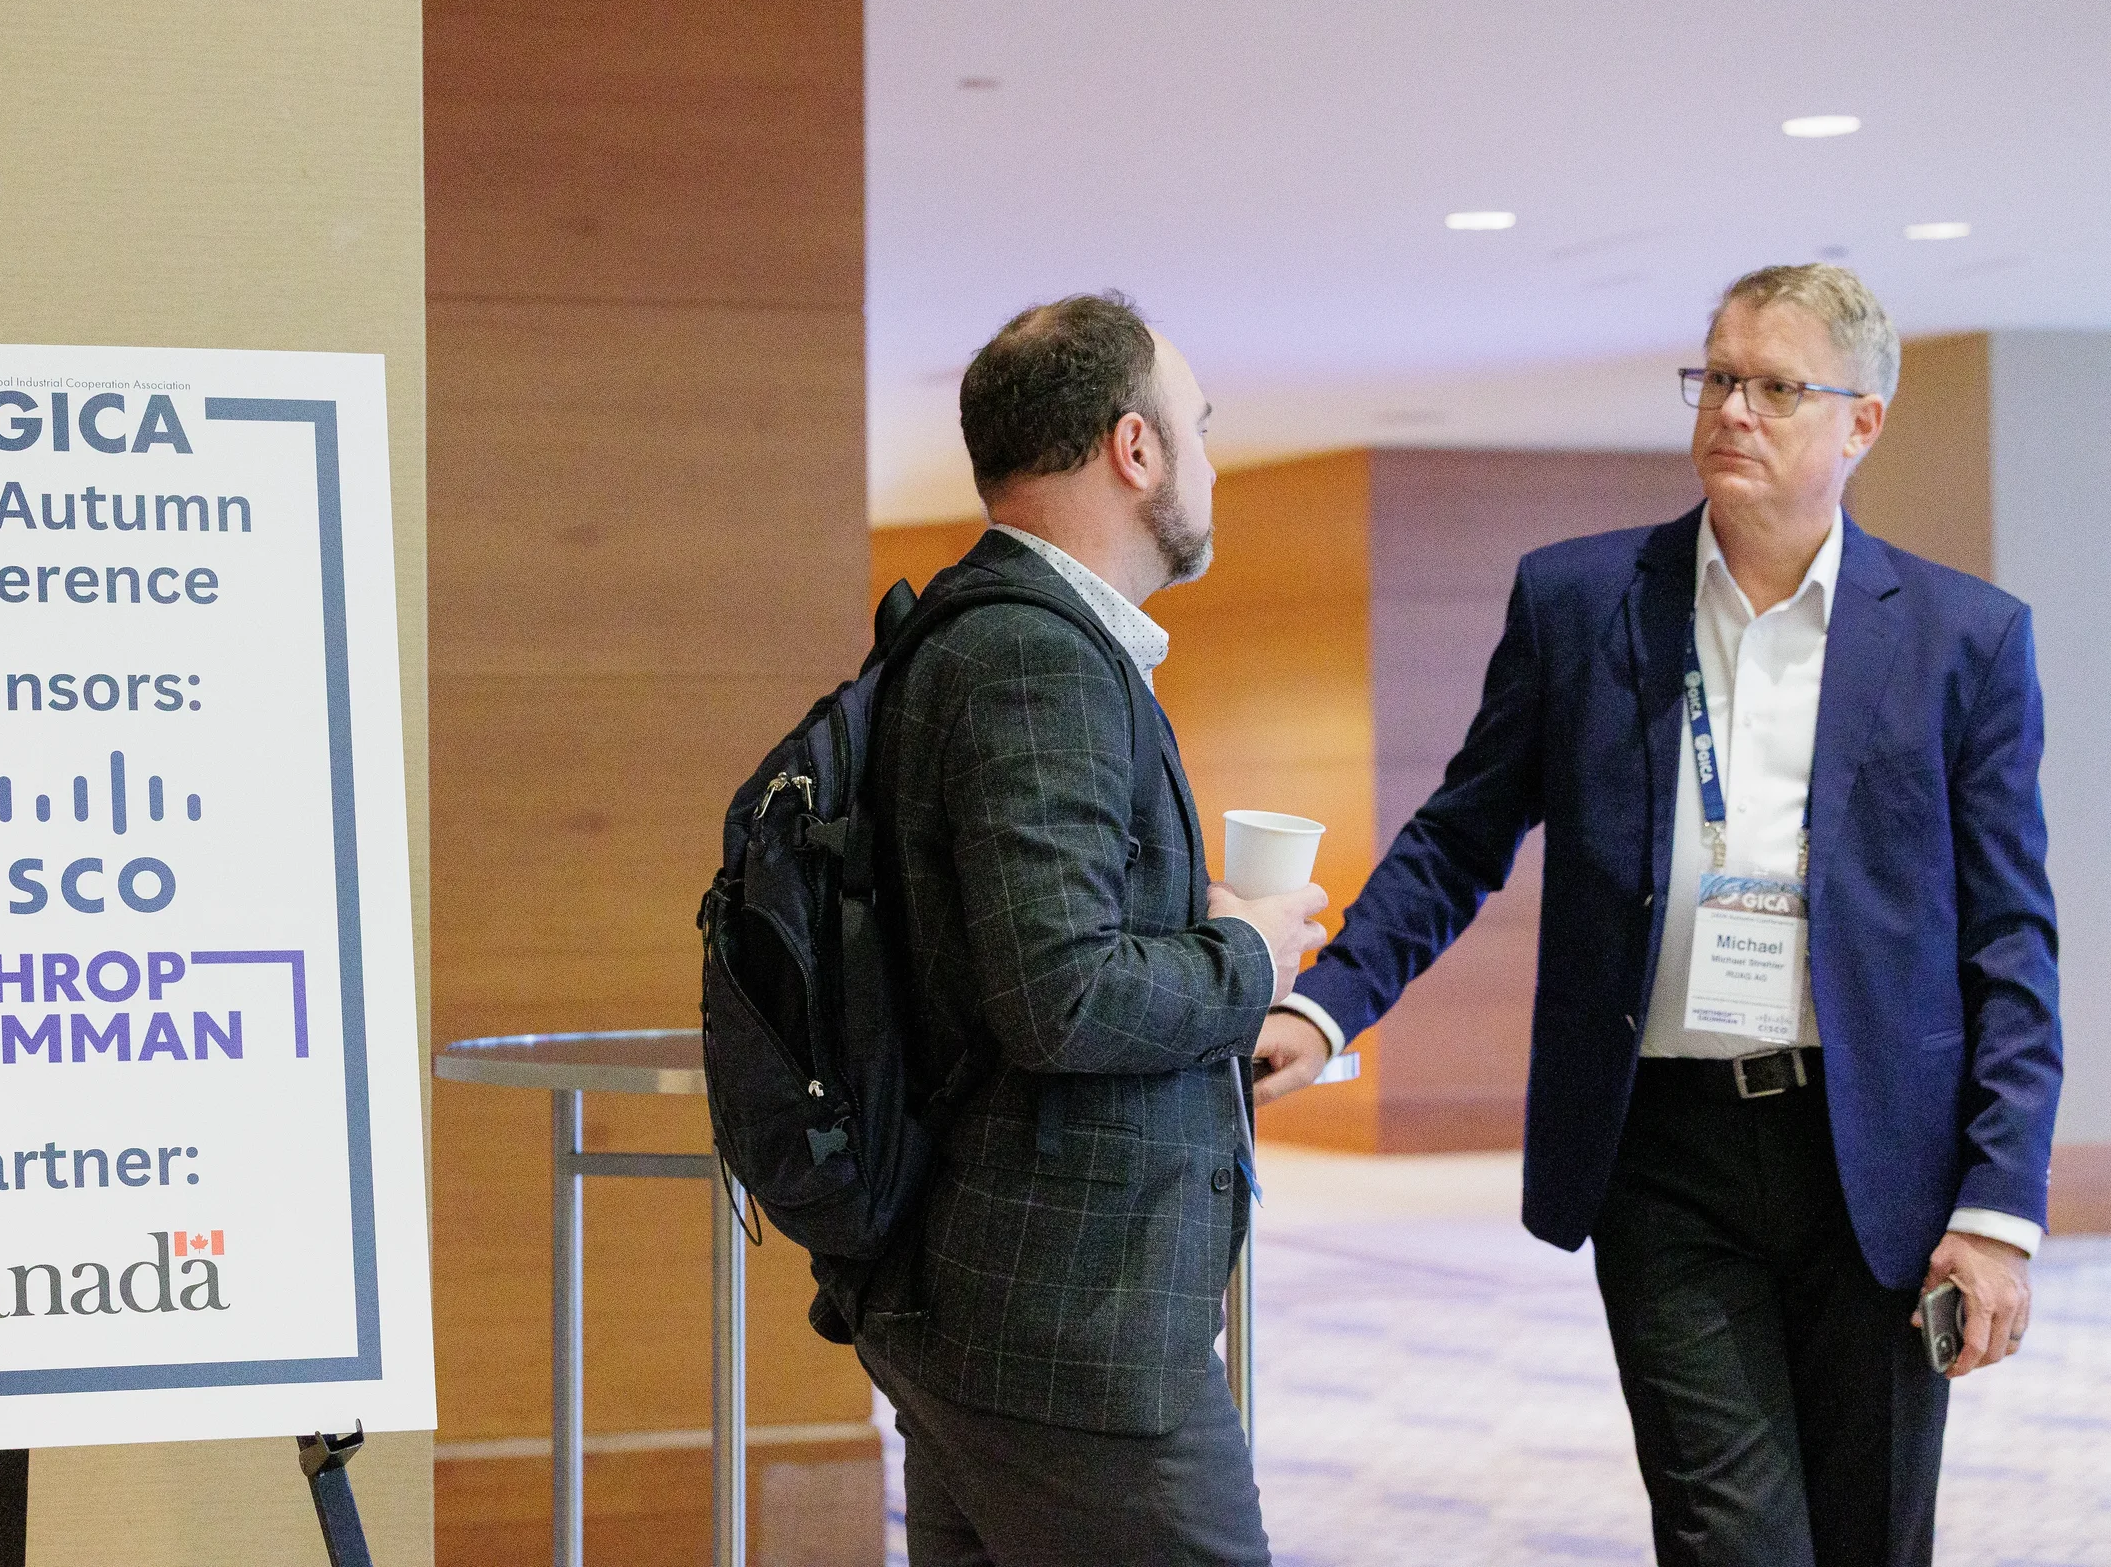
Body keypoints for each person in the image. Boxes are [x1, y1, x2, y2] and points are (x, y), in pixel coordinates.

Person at [1282, 263, 2060, 1566]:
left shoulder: (1961, 639)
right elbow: (1461, 833)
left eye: (1775, 386)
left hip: (1875, 1152)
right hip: (1663, 1149)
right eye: (1718, 377)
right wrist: (1325, 1003)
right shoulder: (1582, 603)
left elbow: (2009, 941)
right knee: (1727, 1534)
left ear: (1862, 421)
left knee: (1870, 1535)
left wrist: (1996, 1206)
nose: (1733, 409)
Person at [853, 292, 1333, 1566]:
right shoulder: (1037, 657)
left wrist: (1190, 920)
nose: (1210, 462)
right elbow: (1059, 995)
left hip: (1001, 1303)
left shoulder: (982, 630)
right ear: (1135, 448)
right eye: (1199, 427)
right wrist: (1250, 954)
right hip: (1071, 1324)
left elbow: (1016, 941)